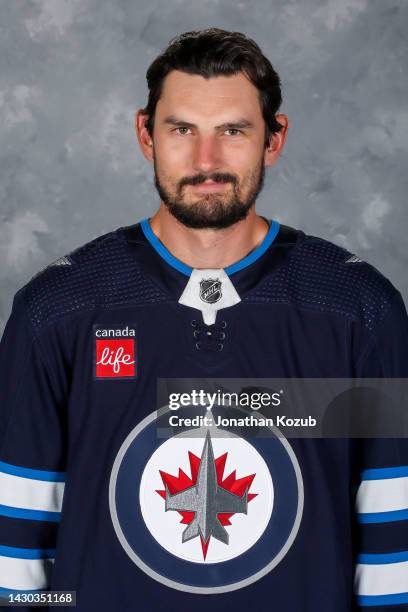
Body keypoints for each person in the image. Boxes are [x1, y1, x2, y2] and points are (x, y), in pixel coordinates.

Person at [0, 27, 407, 612]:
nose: (206, 160)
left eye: (233, 131)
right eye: (182, 129)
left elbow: (393, 542)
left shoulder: (357, 309)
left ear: (274, 138)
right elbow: (16, 547)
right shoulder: (59, 308)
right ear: (146, 134)